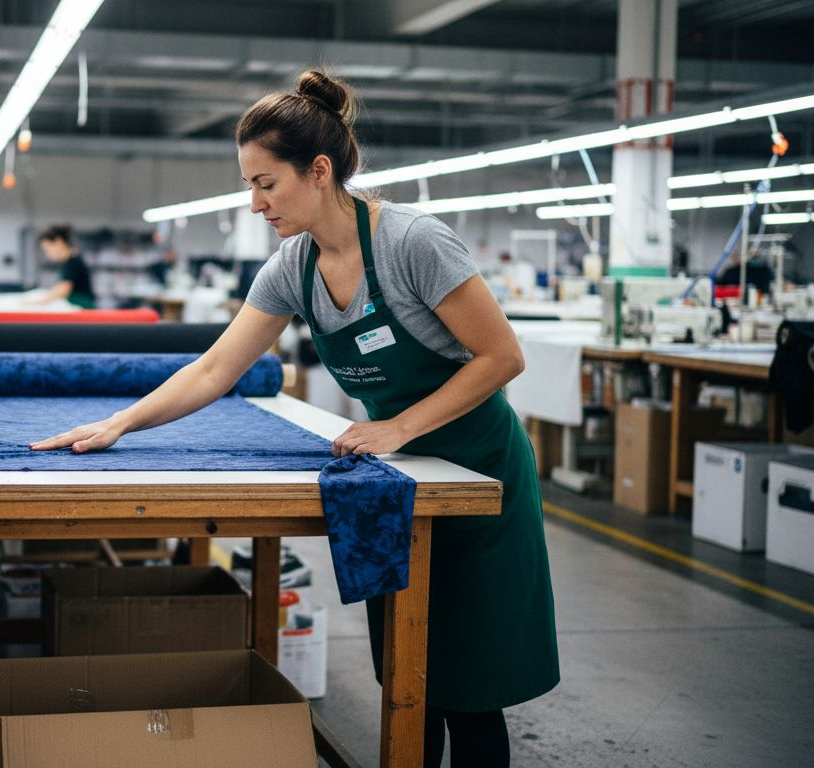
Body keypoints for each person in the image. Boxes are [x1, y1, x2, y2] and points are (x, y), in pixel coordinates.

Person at [30, 69, 559, 767]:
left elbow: (500, 357)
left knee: (471, 685)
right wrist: (121, 424)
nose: (254, 203)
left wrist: (397, 427)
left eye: (264, 183)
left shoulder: (411, 245)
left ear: (317, 171)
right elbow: (215, 369)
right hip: (398, 477)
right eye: (248, 184)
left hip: (476, 472)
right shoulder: (292, 268)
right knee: (414, 675)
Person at [34, 224, 95, 308]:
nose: (47, 254)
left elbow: (63, 289)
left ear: (58, 242)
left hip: (84, 309)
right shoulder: (68, 261)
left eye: (47, 249)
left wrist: (38, 301)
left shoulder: (73, 261)